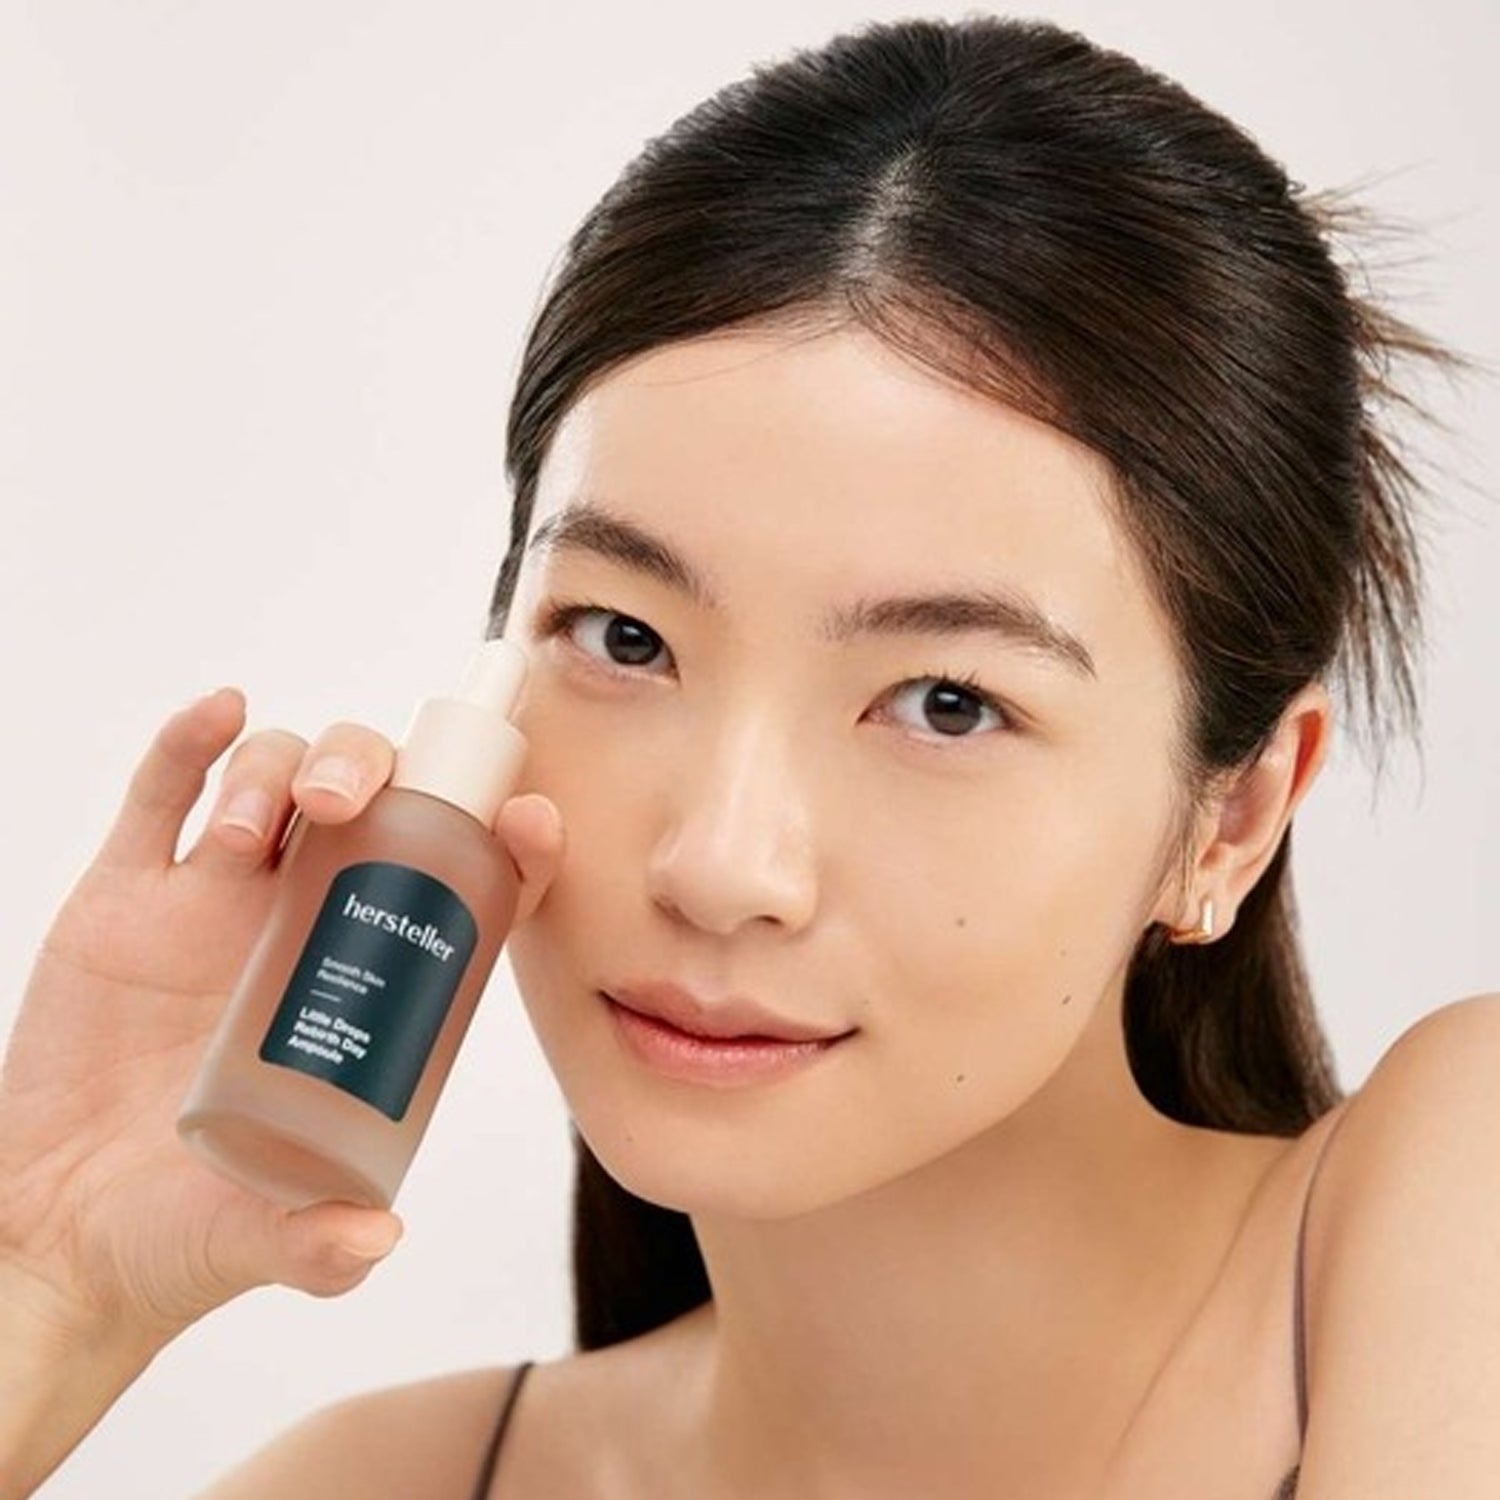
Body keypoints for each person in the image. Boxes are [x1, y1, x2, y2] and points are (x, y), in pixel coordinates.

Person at [2, 13, 1495, 1498]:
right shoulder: (383, 1484)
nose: (721, 867)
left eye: (948, 703)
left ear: (1233, 817)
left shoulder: (1450, 1201)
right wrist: (47, 1280)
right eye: (626, 638)